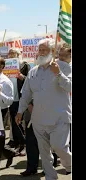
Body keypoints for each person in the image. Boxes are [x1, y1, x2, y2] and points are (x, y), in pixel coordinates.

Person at [15, 38, 72, 180]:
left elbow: (70, 86)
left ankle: (69, 164)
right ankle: (50, 177)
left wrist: (58, 74)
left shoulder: (64, 67)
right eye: (40, 49)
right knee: (44, 152)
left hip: (59, 117)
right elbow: (26, 93)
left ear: (53, 52)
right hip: (38, 119)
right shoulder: (34, 71)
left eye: (44, 50)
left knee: (60, 147)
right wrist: (20, 111)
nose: (41, 52)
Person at [6, 48, 30, 155]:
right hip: (11, 98)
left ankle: (25, 145)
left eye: (13, 53)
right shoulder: (6, 66)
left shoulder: (24, 65)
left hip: (21, 98)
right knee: (14, 123)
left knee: (20, 123)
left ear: (18, 54)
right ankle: (17, 143)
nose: (11, 55)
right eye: (10, 53)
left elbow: (29, 81)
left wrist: (21, 77)